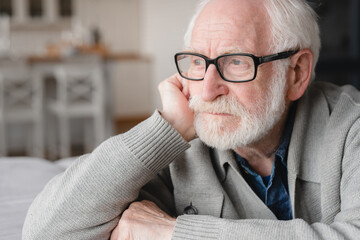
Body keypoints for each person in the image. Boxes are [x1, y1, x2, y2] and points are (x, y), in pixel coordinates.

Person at [23, 0, 360, 239]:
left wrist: (174, 233)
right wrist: (166, 127)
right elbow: (46, 232)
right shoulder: (179, 142)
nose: (208, 89)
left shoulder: (351, 126)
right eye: (198, 62)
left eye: (236, 62)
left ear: (297, 72)